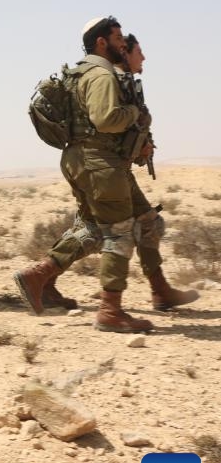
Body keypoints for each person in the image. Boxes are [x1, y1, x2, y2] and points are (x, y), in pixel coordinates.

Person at [14, 27, 196, 324]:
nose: (123, 46)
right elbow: (106, 119)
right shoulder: (101, 75)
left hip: (91, 161)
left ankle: (160, 290)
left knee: (145, 222)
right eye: (118, 39)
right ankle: (109, 310)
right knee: (119, 233)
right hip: (100, 164)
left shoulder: (84, 73)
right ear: (102, 42)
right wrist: (134, 115)